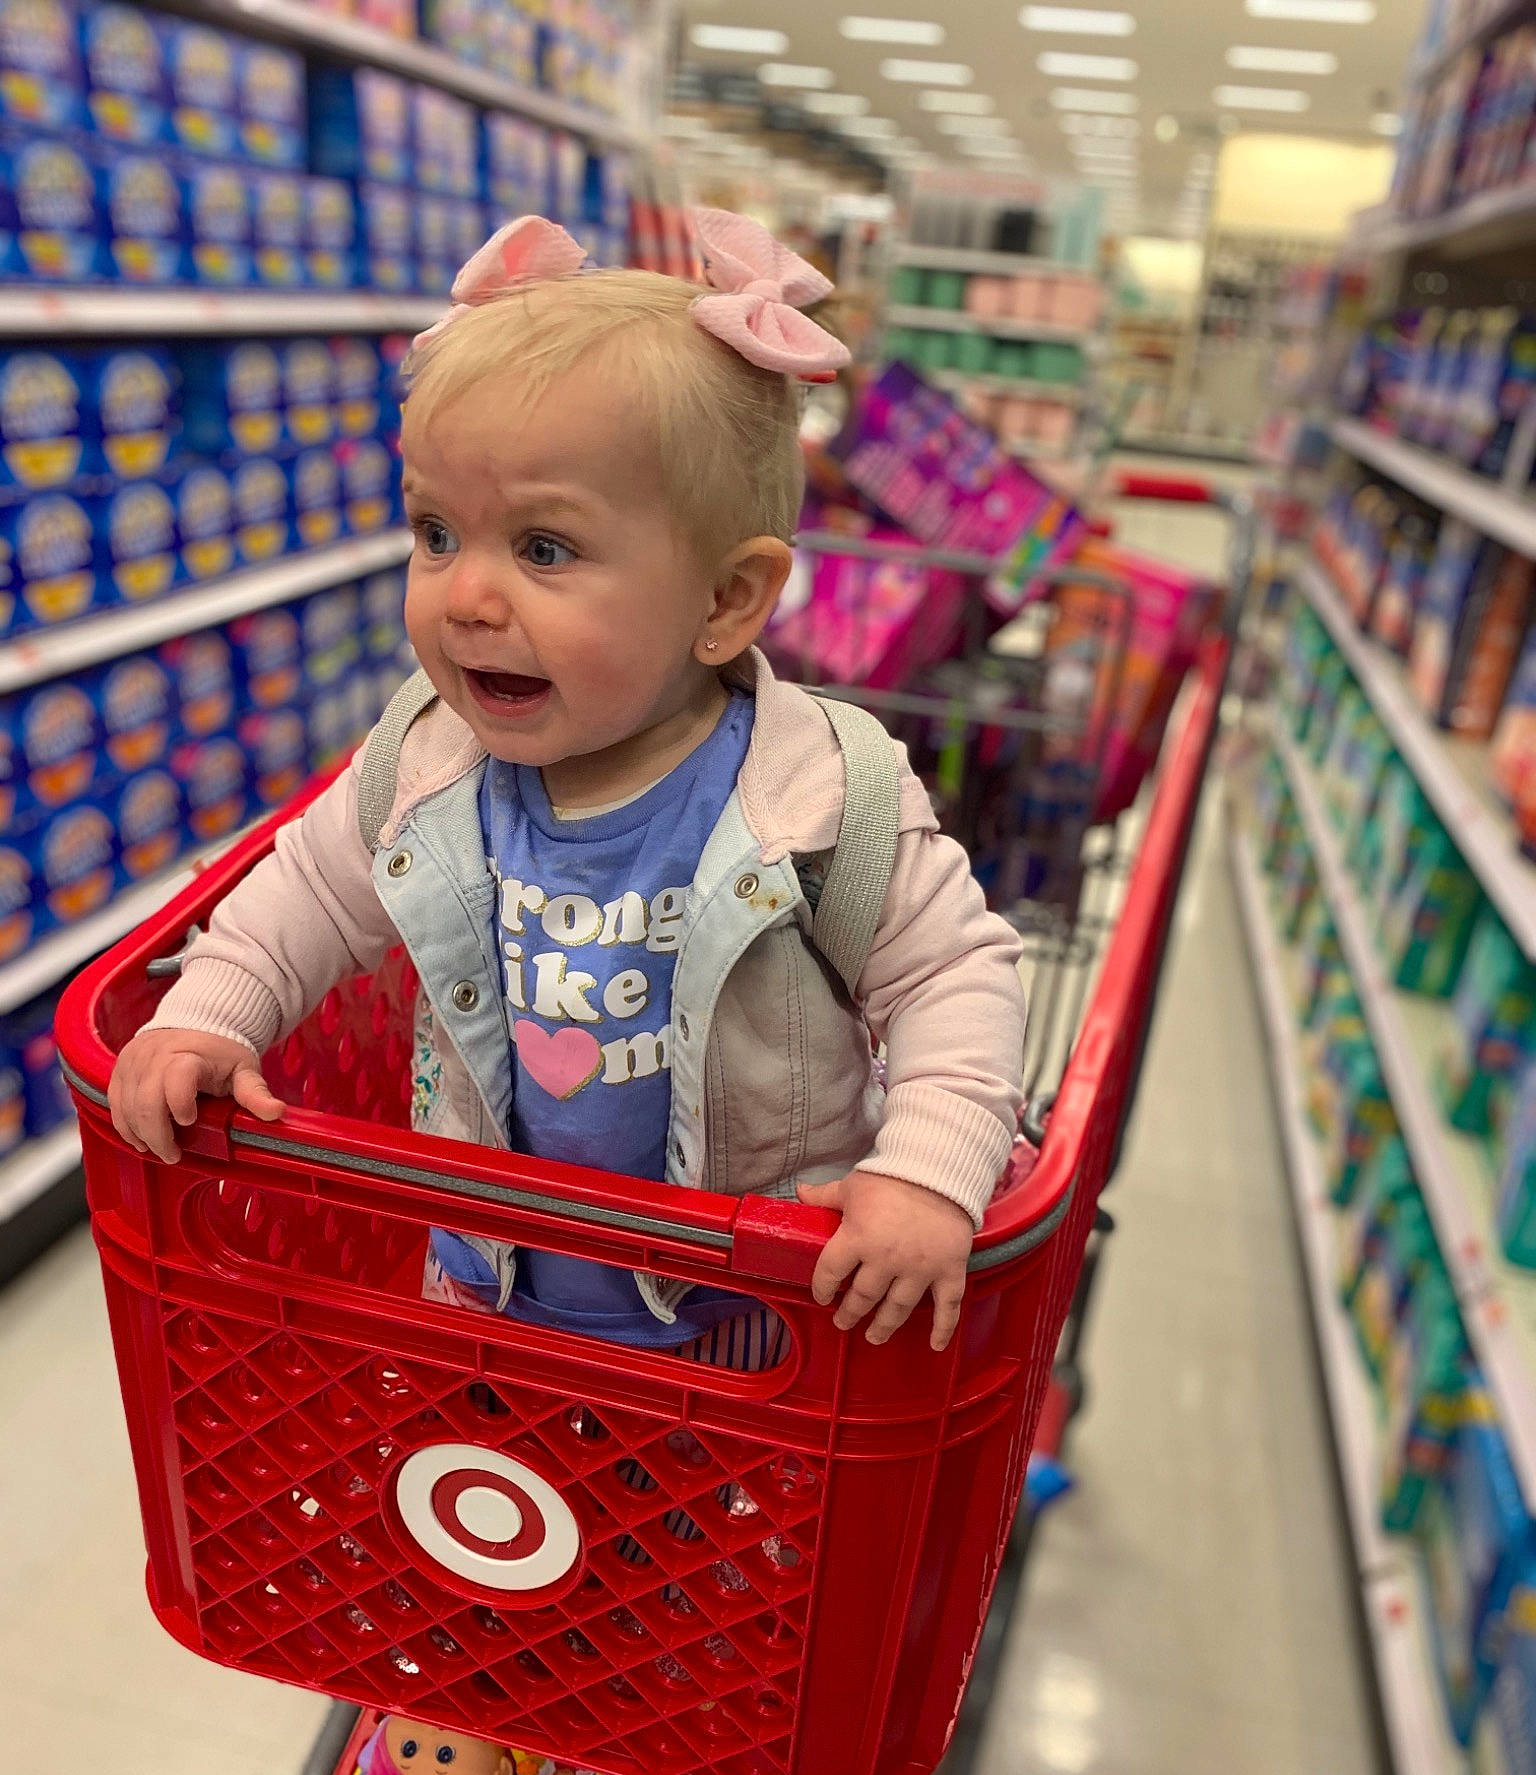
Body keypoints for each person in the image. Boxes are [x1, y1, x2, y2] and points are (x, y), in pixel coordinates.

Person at [108, 209, 1026, 1359]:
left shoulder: (819, 795)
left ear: (726, 602)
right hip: (483, 1289)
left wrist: (927, 1172)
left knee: (712, 1544)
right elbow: (306, 893)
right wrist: (207, 1015)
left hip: (746, 1326)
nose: (468, 597)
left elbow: (954, 971)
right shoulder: (426, 758)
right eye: (437, 532)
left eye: (544, 549)